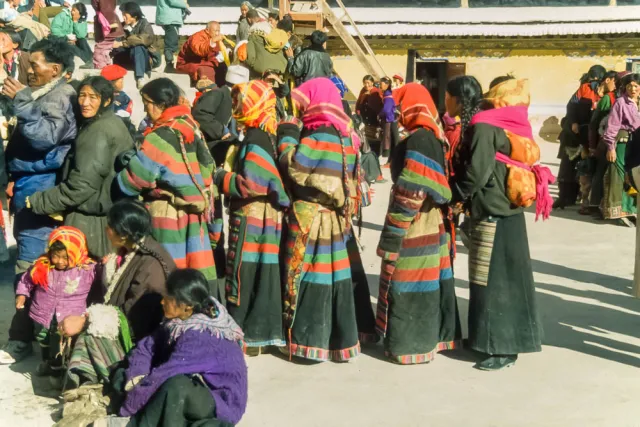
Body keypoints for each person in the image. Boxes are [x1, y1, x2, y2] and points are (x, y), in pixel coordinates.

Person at [277, 77, 375, 362]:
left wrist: (285, 137)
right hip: (335, 220)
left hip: (315, 219)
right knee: (336, 280)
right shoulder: (346, 133)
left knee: (313, 278)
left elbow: (296, 168)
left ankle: (311, 343)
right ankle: (340, 342)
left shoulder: (321, 135)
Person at [452, 76, 542, 371]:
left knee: (492, 281)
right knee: (505, 279)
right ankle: (491, 341)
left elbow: (477, 171)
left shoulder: (485, 124)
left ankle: (501, 348)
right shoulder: (514, 122)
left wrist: (454, 194)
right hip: (510, 209)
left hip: (491, 209)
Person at [0, 37, 76, 367]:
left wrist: (21, 101)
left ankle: (23, 336)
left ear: (55, 70)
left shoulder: (61, 96)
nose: (29, 70)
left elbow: (45, 137)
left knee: (31, 261)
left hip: (41, 186)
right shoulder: (47, 92)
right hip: (28, 181)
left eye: (35, 65)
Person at [375, 82, 461, 365]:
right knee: (425, 281)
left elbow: (413, 190)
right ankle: (424, 342)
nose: (397, 113)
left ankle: (410, 345)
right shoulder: (431, 136)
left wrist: (394, 230)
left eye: (400, 106)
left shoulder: (419, 140)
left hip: (417, 222)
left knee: (409, 281)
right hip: (429, 220)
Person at [101, 269, 247, 427]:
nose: (162, 302)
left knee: (174, 387)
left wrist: (128, 407)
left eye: (168, 298)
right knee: (123, 372)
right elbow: (145, 347)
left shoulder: (201, 336)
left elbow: (164, 375)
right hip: (193, 386)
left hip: (219, 398)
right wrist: (136, 377)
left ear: (187, 306)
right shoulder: (179, 321)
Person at [116, 78, 222, 293]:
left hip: (168, 215)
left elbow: (134, 180)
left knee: (166, 271)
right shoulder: (190, 127)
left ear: (157, 103)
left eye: (146, 104)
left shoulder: (161, 135)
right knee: (191, 275)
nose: (146, 110)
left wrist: (126, 165)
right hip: (195, 215)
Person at [213, 80, 289, 355]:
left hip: (251, 215)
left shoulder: (256, 137)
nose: (234, 108)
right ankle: (261, 335)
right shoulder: (268, 134)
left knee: (243, 273)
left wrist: (221, 177)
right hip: (269, 218)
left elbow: (252, 184)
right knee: (263, 273)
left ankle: (243, 332)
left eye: (238, 102)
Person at [27, 76, 135, 259]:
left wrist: (41, 201)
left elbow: (81, 185)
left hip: (89, 220)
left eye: (93, 97)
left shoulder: (97, 132)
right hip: (107, 215)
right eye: (82, 96)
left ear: (107, 100)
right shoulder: (113, 122)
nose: (85, 102)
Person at [14, 227, 96, 375]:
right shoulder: (42, 266)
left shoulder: (87, 270)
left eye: (65, 257)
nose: (59, 261)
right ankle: (47, 362)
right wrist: (21, 294)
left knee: (63, 344)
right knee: (43, 338)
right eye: (55, 256)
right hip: (42, 314)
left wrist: (107, 263)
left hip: (68, 317)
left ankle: (60, 370)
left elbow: (104, 277)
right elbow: (26, 280)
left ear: (76, 252)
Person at [555, 65, 606, 210]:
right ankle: (565, 197)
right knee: (567, 167)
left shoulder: (609, 94)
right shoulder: (585, 88)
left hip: (591, 137)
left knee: (587, 169)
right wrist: (574, 122)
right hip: (573, 135)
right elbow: (571, 106)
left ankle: (587, 200)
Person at [600, 73, 640, 225]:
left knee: (632, 177)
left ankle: (630, 208)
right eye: (630, 86)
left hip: (636, 144)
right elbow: (612, 126)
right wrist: (611, 147)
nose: (633, 89)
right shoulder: (620, 103)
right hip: (622, 143)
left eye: (636, 85)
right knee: (618, 176)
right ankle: (616, 210)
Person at [587, 71, 620, 213]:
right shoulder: (609, 98)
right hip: (605, 142)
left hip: (621, 144)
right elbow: (595, 123)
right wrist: (592, 145)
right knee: (601, 171)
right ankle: (594, 204)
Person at [112, 2, 160, 90]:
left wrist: (124, 43)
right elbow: (116, 42)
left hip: (146, 58)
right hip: (130, 57)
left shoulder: (145, 24)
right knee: (117, 51)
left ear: (134, 15)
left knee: (138, 46)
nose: (123, 17)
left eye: (125, 15)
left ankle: (140, 77)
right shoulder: (123, 26)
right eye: (122, 15)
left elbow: (144, 39)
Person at [444, 75, 484, 181]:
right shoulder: (470, 124)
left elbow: (476, 175)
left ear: (458, 101)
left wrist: (453, 191)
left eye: (447, 97)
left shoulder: (479, 128)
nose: (445, 102)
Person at [192, 68, 233, 166]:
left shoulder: (233, 97)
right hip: (213, 147)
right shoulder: (218, 94)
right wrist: (222, 130)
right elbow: (201, 113)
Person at [176, 21, 227, 87]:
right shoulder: (197, 37)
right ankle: (211, 91)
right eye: (215, 31)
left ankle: (221, 89)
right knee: (206, 70)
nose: (217, 34)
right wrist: (212, 41)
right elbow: (200, 50)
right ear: (207, 30)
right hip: (188, 63)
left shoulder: (214, 38)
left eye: (218, 31)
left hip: (205, 62)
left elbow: (214, 54)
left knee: (222, 66)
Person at [50, 2, 92, 67]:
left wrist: (75, 22)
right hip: (61, 40)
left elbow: (81, 35)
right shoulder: (63, 15)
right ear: (73, 11)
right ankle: (88, 60)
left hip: (73, 40)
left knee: (82, 40)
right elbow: (54, 30)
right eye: (78, 13)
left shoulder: (81, 19)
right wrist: (67, 37)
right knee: (71, 45)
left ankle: (91, 60)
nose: (80, 15)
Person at [91, 0, 124, 69]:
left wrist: (110, 24)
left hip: (107, 26)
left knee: (100, 53)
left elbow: (107, 8)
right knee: (104, 53)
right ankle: (105, 73)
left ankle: (102, 75)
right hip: (105, 24)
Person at [156, 0, 187, 73]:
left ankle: (170, 65)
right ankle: (169, 65)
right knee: (170, 45)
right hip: (170, 19)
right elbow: (172, 1)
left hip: (170, 18)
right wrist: (184, 4)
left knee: (171, 42)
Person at [356, 75, 383, 154]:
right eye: (364, 83)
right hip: (363, 118)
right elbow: (359, 102)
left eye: (368, 83)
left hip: (373, 119)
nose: (366, 85)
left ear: (372, 83)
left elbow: (377, 106)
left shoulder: (375, 91)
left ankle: (374, 153)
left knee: (373, 138)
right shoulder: (363, 91)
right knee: (364, 137)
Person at [379, 76, 398, 164]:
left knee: (388, 138)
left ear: (387, 85)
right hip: (391, 118)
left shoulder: (388, 96)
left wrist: (380, 114)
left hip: (389, 119)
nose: (380, 86)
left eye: (381, 84)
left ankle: (388, 157)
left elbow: (386, 109)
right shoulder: (387, 94)